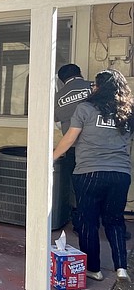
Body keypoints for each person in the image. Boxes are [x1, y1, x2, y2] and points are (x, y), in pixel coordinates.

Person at [53, 69, 132, 283]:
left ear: (99, 88)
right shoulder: (127, 112)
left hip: (89, 172)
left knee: (88, 221)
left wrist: (51, 157)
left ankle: (94, 269)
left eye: (95, 85)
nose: (92, 88)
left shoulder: (85, 108)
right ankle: (121, 267)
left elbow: (69, 139)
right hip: (120, 174)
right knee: (115, 221)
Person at [54, 64, 92, 232]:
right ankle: (110, 222)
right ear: (80, 73)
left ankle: (80, 224)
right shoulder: (95, 87)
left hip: (73, 147)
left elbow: (54, 119)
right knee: (101, 185)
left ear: (62, 80)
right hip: (98, 147)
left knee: (77, 188)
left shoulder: (57, 97)